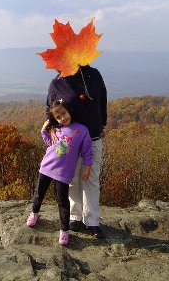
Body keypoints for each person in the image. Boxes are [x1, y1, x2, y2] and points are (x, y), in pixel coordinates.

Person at [46, 64, 107, 239]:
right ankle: (75, 216)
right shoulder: (57, 83)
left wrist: (102, 123)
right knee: (72, 179)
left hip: (93, 137)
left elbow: (102, 100)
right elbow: (49, 108)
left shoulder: (93, 75)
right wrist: (50, 128)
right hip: (69, 141)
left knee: (91, 179)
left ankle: (92, 221)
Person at [26, 99, 93, 246]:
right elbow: (50, 142)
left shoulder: (82, 130)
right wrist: (46, 127)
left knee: (62, 201)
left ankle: (64, 230)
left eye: (64, 113)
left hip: (63, 173)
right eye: (58, 117)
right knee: (39, 194)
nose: (63, 118)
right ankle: (34, 213)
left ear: (69, 110)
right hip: (47, 167)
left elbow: (87, 152)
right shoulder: (56, 128)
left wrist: (88, 167)